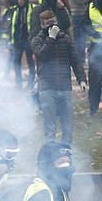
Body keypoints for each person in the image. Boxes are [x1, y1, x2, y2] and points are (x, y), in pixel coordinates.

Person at [31, 9, 86, 143]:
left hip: (64, 87)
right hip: (47, 87)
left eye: (53, 21)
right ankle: (51, 155)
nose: (51, 25)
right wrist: (50, 38)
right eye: (47, 22)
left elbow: (75, 60)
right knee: (50, 127)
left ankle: (67, 153)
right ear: (42, 23)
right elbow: (42, 55)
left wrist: (82, 80)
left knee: (67, 126)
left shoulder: (66, 39)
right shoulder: (37, 40)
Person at [7, 0, 36, 89]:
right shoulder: (15, 10)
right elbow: (12, 26)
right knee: (16, 62)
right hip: (18, 41)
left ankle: (31, 82)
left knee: (30, 62)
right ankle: (18, 83)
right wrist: (11, 40)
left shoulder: (32, 8)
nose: (20, 1)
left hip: (28, 40)